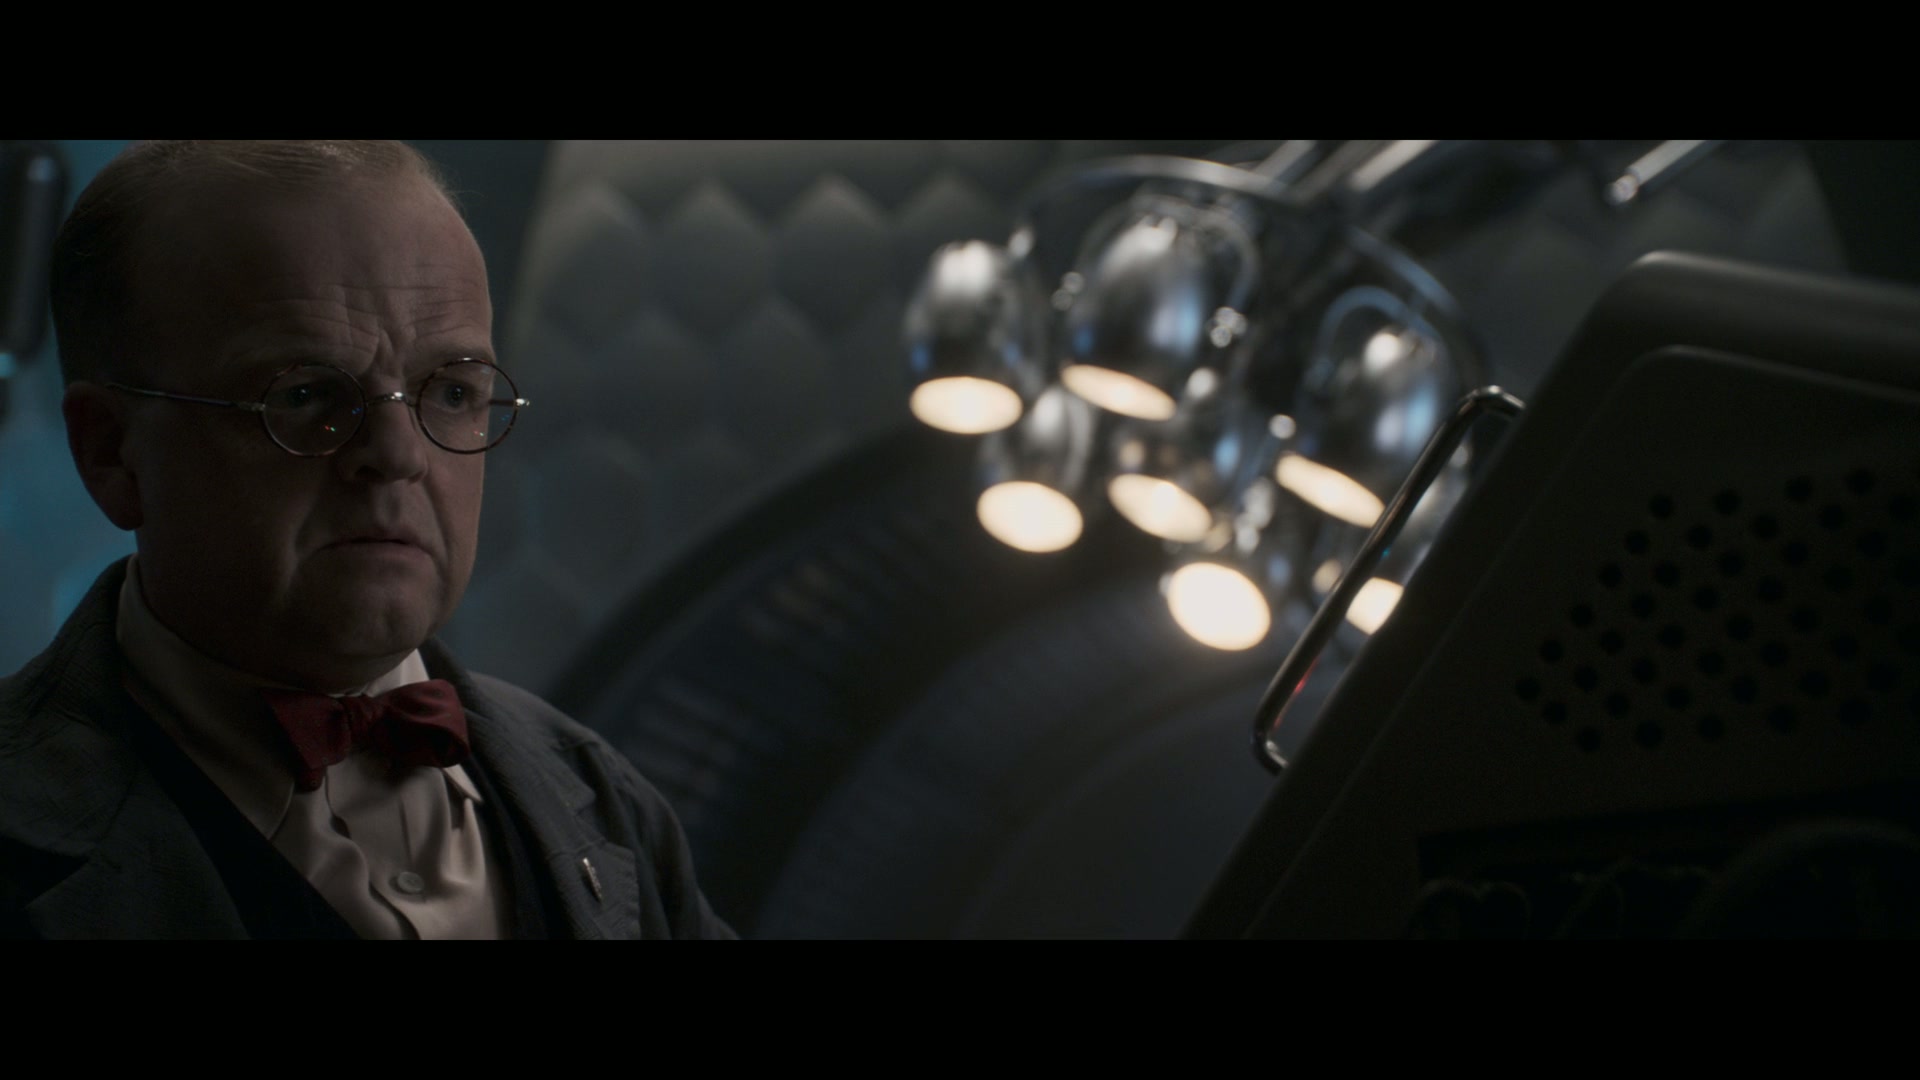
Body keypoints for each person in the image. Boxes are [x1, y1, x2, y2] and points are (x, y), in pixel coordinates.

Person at [0, 140, 735, 939]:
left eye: (452, 392)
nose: (398, 454)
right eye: (305, 395)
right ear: (111, 450)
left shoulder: (600, 797)